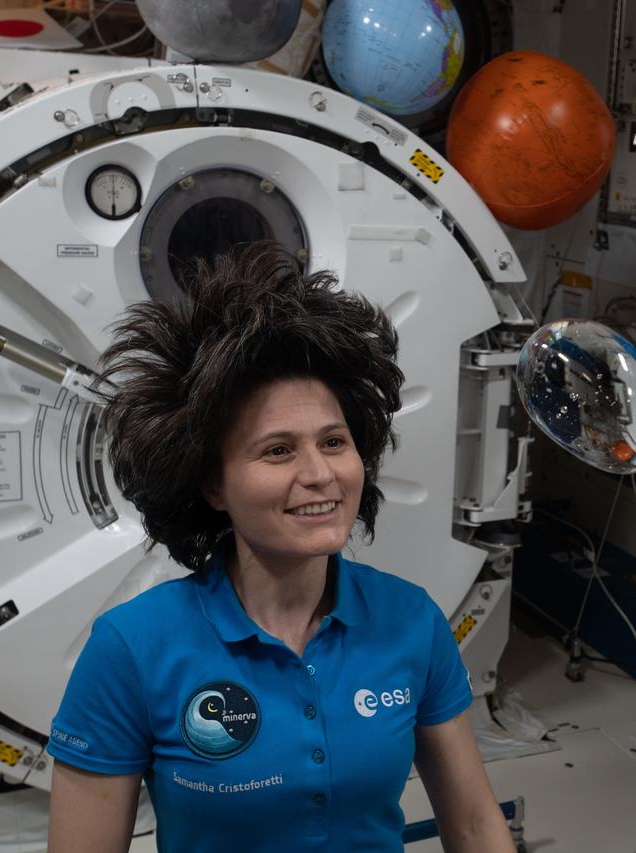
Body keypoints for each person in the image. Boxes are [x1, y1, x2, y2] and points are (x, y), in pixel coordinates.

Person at [46, 242, 515, 853]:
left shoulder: (412, 622)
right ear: (212, 484)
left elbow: (476, 825)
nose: (321, 474)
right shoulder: (132, 650)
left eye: (334, 441)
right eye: (278, 450)